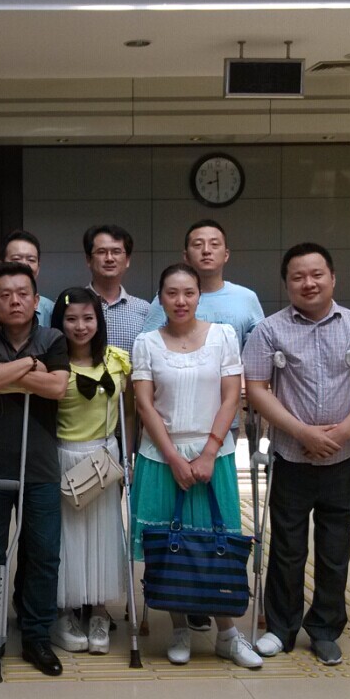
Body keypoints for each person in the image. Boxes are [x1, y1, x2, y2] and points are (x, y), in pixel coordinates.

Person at [244, 242, 350, 666]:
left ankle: (325, 629)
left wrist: (343, 432)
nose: (308, 283)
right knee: (286, 547)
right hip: (290, 457)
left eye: (316, 274)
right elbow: (256, 388)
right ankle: (281, 628)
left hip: (342, 459)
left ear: (333, 278)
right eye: (298, 277)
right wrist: (301, 432)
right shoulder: (268, 330)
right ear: (286, 283)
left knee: (334, 548)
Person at [130, 264, 263, 669]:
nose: (180, 301)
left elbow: (231, 397)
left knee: (215, 542)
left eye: (188, 293)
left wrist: (207, 452)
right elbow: (144, 404)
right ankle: (180, 629)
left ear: (199, 296)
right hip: (160, 457)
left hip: (214, 454)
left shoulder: (223, 336)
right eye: (172, 293)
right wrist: (173, 457)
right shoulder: (146, 342)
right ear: (161, 298)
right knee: (170, 547)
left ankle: (228, 634)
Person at [0, 261, 70, 676]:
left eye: (23, 294)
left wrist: (2, 373)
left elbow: (58, 387)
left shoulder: (53, 337)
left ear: (36, 299)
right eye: (5, 295)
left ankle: (36, 635)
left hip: (40, 465)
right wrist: (30, 366)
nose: (14, 301)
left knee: (43, 554)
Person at [47, 288, 130, 655]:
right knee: (68, 538)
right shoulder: (52, 363)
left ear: (99, 321)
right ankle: (64, 612)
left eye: (88, 318)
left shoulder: (118, 360)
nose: (80, 326)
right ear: (59, 322)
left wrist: (129, 457)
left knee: (104, 534)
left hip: (105, 457)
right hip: (65, 456)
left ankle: (98, 611)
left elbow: (130, 414)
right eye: (71, 319)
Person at [141, 219, 263, 346]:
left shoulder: (247, 298)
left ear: (226, 255)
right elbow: (148, 345)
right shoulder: (169, 298)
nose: (206, 251)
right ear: (186, 256)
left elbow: (261, 347)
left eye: (214, 244)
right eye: (198, 245)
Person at [83, 224, 150, 354]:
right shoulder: (70, 305)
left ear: (127, 260)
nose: (109, 258)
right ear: (88, 260)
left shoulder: (145, 309)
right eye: (101, 252)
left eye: (116, 252)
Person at [0, 229, 56, 328]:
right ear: (1, 264)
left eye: (31, 259)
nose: (24, 264)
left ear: (38, 268)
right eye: (16, 259)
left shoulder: (51, 310)